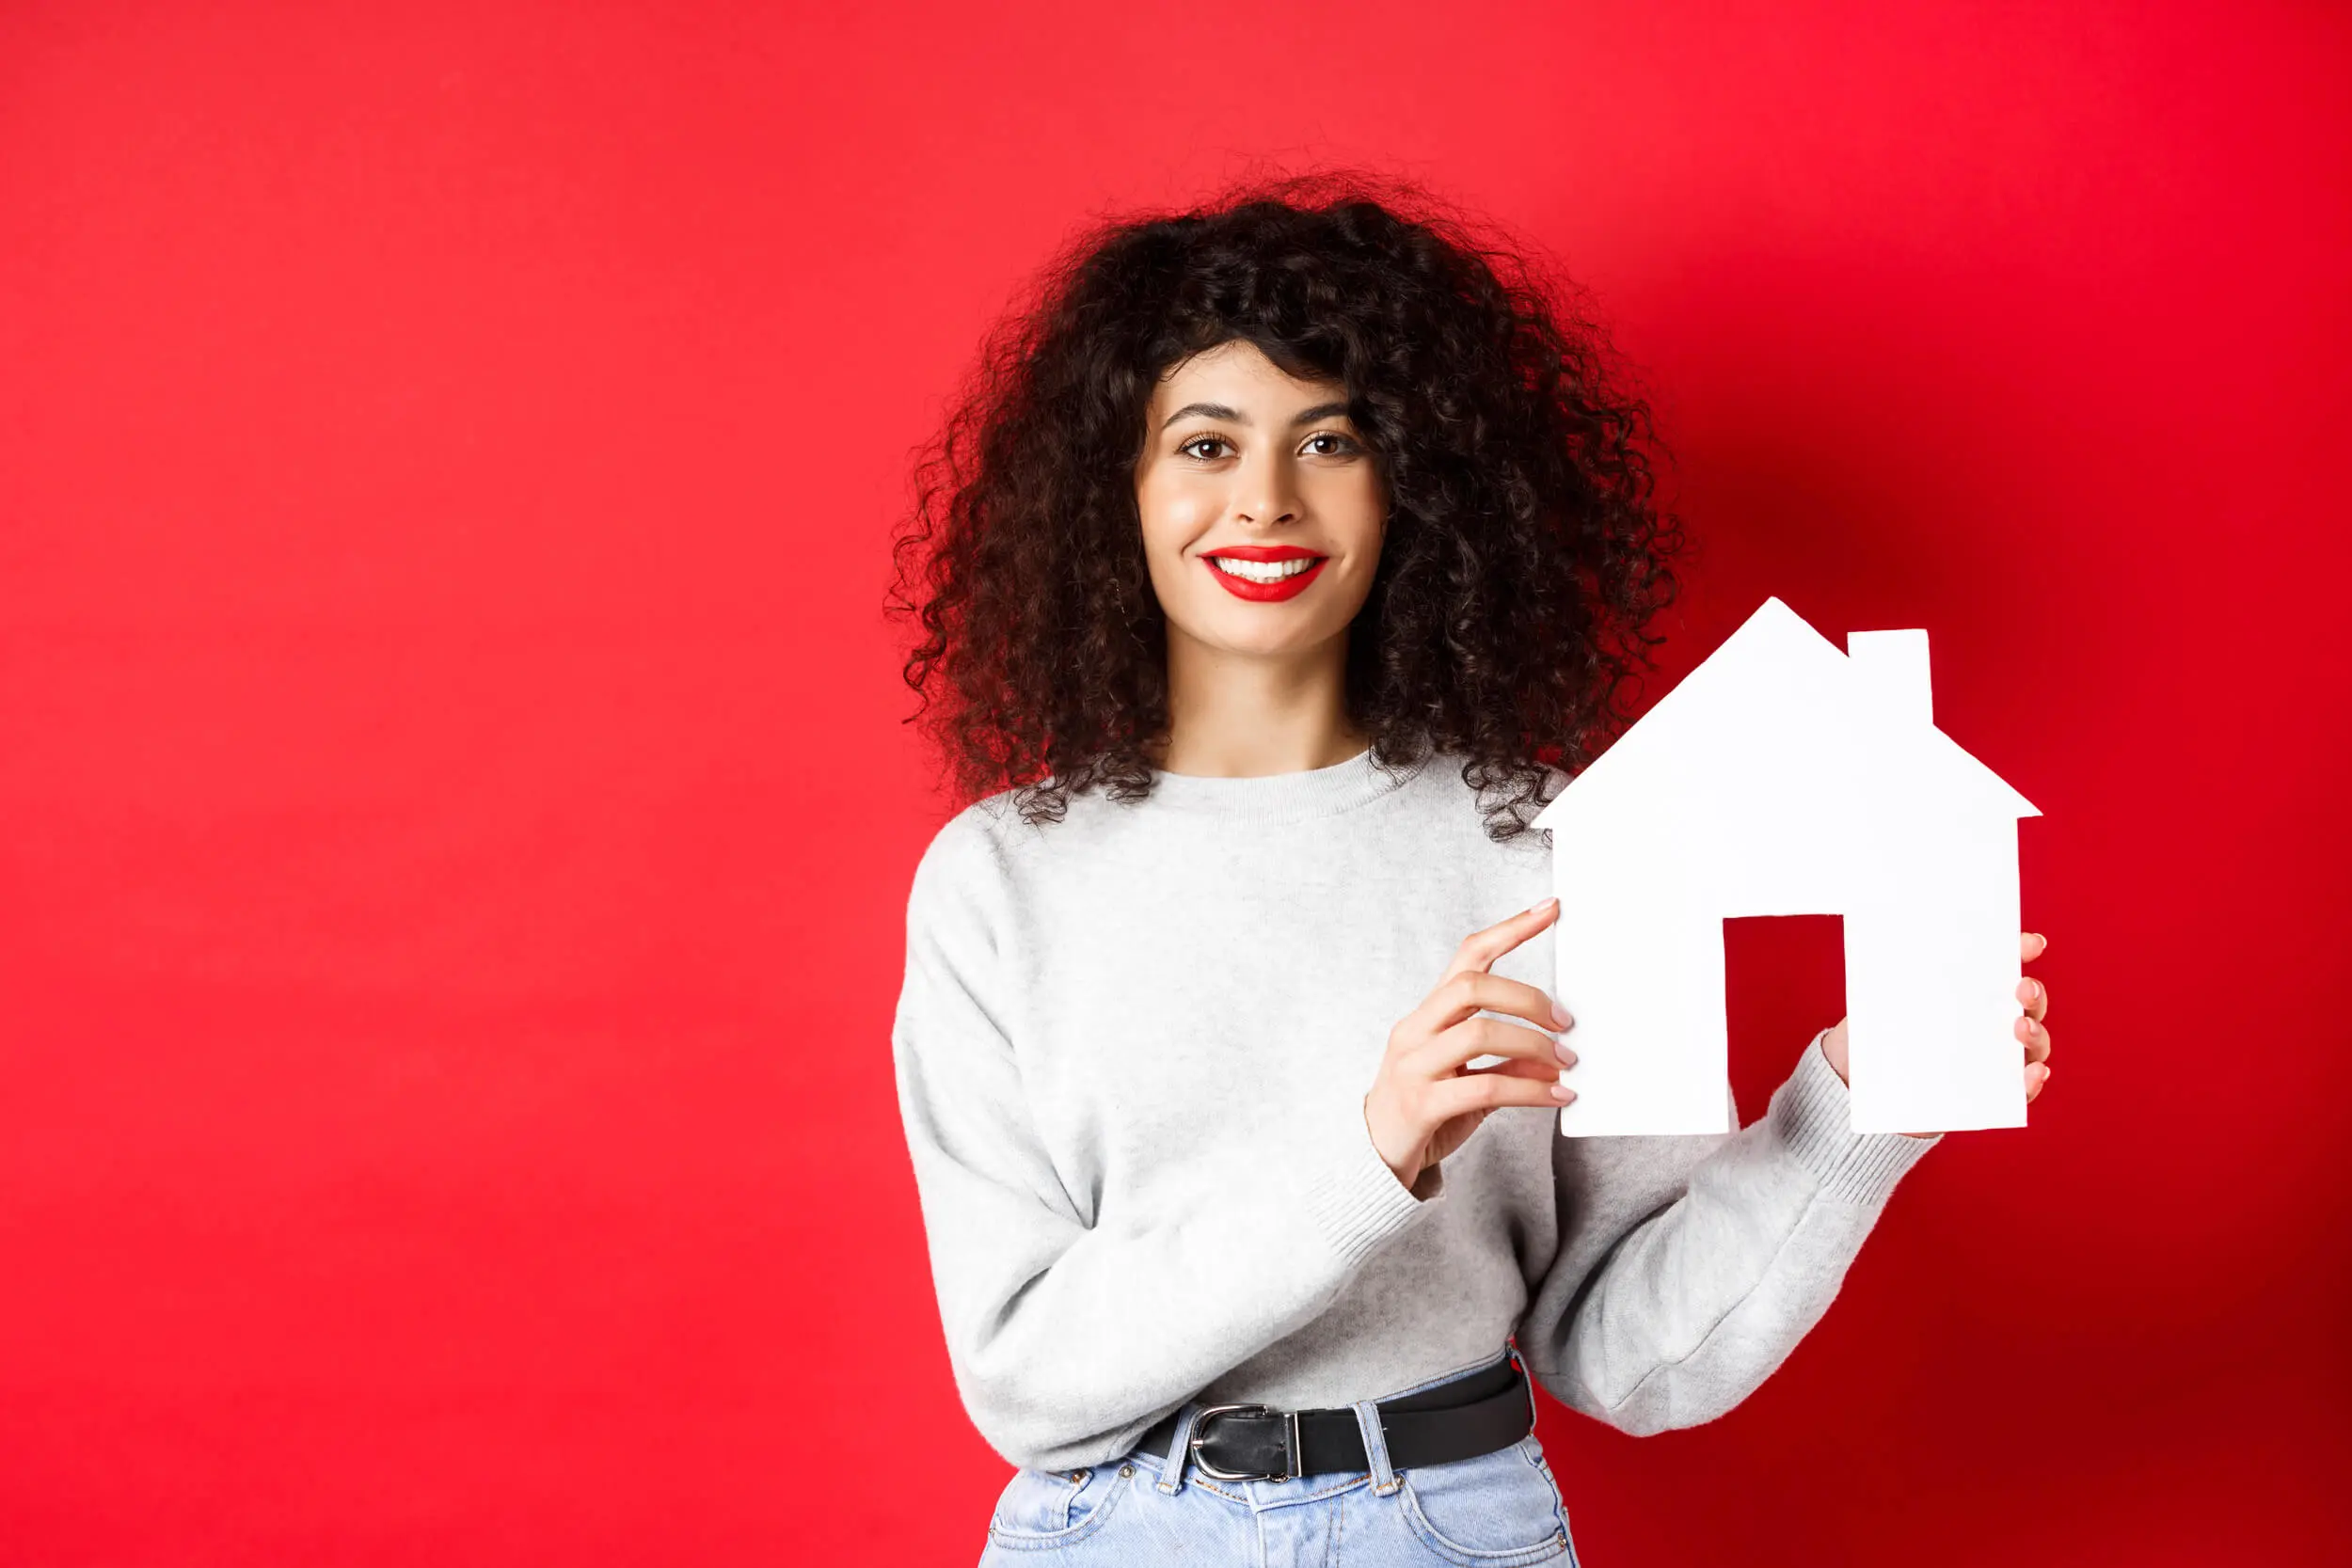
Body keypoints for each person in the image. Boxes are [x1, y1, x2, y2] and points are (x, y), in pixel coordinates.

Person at [882, 170, 2056, 1567]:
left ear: (1411, 485)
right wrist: (1370, 1147)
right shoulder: (1001, 882)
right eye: (1204, 443)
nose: (1263, 499)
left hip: (1451, 1527)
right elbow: (1022, 1376)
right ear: (1116, 487)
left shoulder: (1558, 846)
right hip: (1114, 1530)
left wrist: (1854, 1109)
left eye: (1330, 439)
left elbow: (1630, 1357)